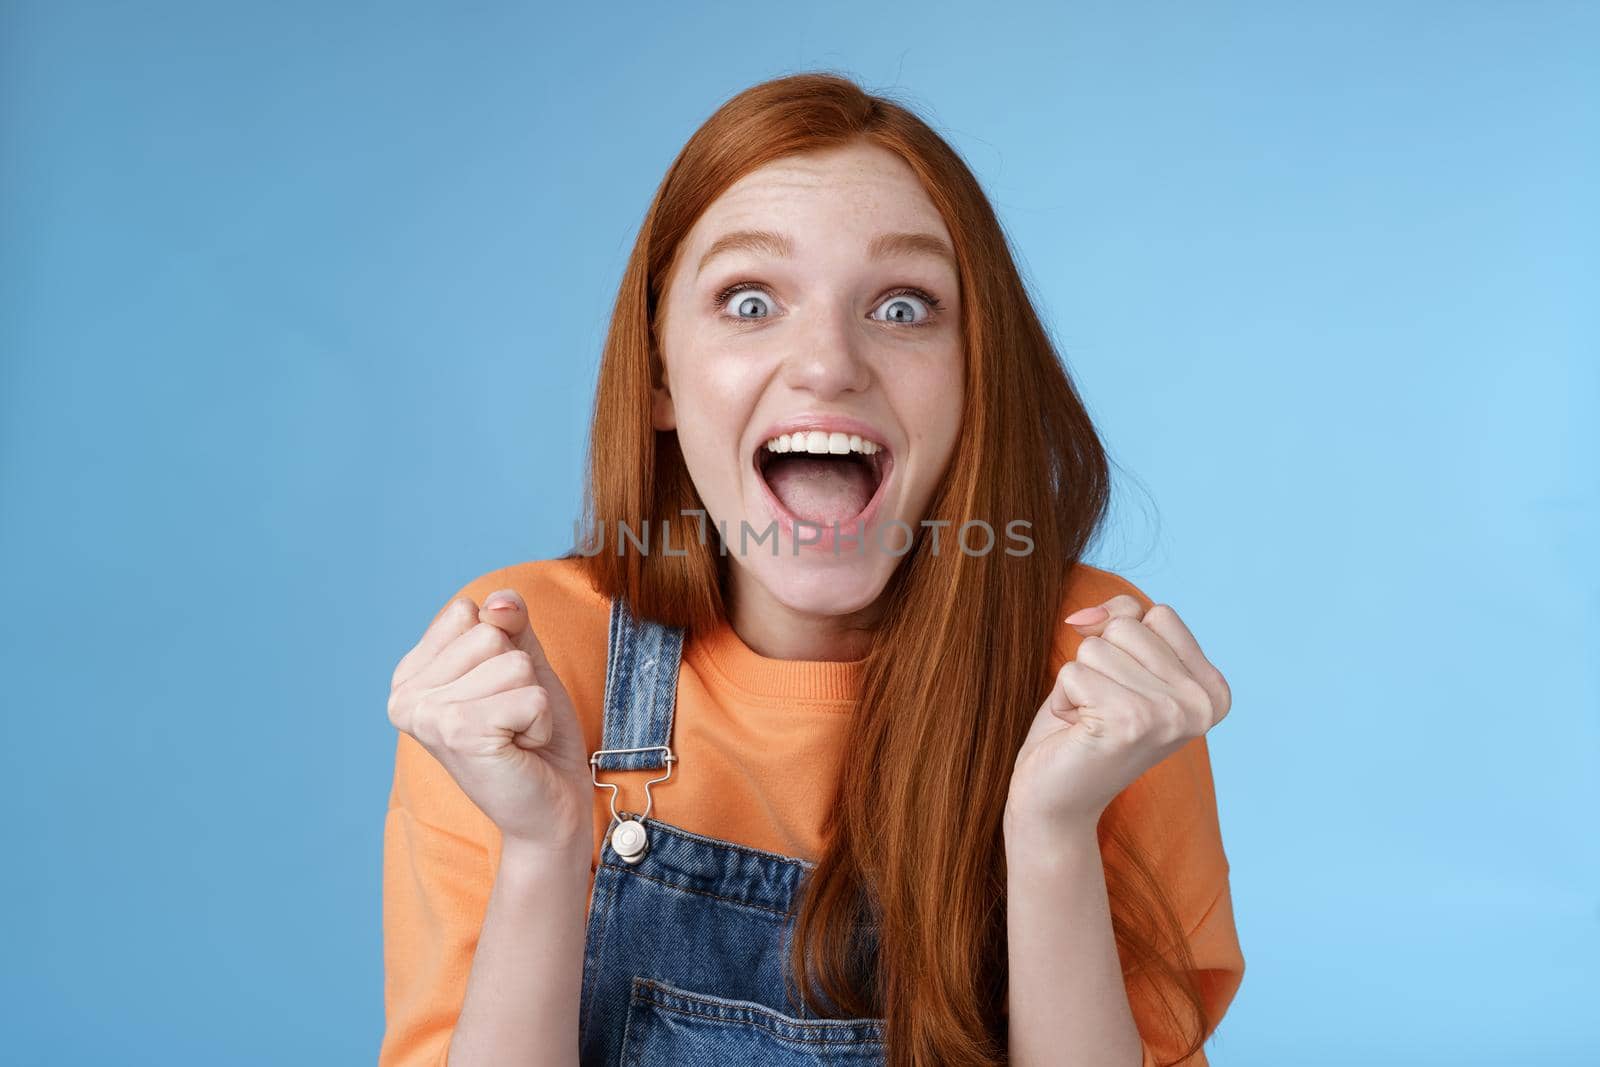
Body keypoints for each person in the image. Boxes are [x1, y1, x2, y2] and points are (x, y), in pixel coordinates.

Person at [380, 71, 1244, 1067]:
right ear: (660, 371)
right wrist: (541, 847)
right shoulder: (525, 664)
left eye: (904, 305)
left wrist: (1050, 833)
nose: (828, 362)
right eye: (749, 301)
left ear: (975, 371)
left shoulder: (1095, 672)